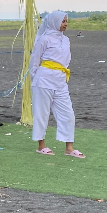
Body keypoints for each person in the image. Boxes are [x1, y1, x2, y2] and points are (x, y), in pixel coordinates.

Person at [29, 11, 84, 158]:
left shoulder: (66, 40)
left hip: (61, 81)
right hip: (44, 80)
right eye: (63, 21)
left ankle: (69, 148)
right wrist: (35, 78)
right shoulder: (44, 39)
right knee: (42, 113)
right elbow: (34, 61)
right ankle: (41, 146)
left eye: (66, 21)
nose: (65, 24)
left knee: (68, 114)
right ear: (54, 22)